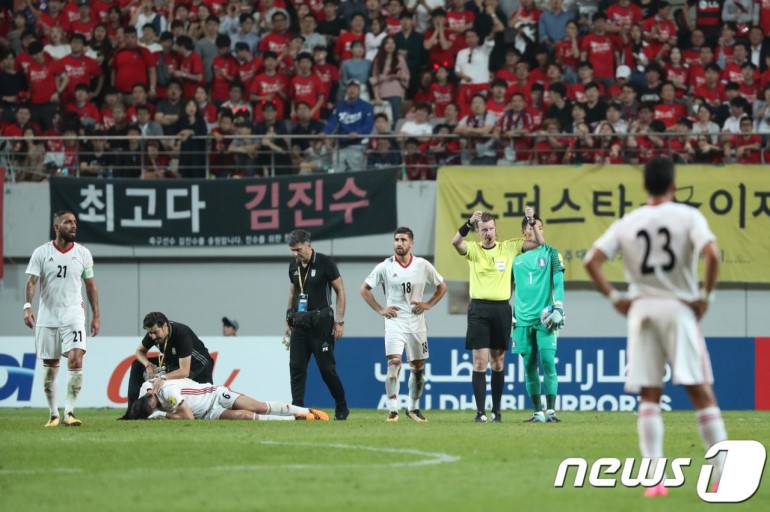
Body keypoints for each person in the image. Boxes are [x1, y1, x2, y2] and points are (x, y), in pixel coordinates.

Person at [583, 156, 727, 498]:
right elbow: (713, 253)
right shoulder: (688, 216)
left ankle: (654, 479)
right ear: (673, 186)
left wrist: (616, 297)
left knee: (650, 394)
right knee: (699, 389)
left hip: (642, 310)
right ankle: (722, 472)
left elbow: (592, 260)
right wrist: (705, 295)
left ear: (645, 186)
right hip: (678, 307)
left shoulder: (629, 221)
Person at [451, 208, 541, 422]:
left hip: (501, 309)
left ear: (496, 230)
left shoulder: (508, 248)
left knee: (498, 361)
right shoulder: (473, 250)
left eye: (491, 229)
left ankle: (497, 411)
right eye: (483, 229)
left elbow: (538, 243)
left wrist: (531, 220)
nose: (488, 233)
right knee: (479, 361)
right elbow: (456, 242)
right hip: (478, 310)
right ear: (478, 231)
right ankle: (480, 412)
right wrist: (467, 223)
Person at [360, 227, 448, 422]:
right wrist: (380, 309)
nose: (399, 243)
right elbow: (364, 289)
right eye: (396, 240)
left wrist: (428, 304)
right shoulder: (385, 266)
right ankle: (393, 409)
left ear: (411, 243)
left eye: (403, 240)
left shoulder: (422, 265)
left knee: (418, 370)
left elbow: (442, 286)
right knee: (394, 366)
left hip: (417, 323)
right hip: (395, 322)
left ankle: (413, 408)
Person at [23, 210, 100, 427]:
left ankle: (70, 413)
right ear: (57, 227)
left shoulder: (83, 254)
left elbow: (91, 285)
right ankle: (53, 414)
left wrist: (96, 316)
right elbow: (31, 282)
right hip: (48, 317)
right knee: (51, 367)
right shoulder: (41, 252)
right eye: (68, 222)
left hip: (74, 315)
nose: (73, 226)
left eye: (75, 222)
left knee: (76, 358)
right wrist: (28, 306)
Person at [284, 230, 349, 420]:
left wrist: (340, 321)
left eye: (298, 249)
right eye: (292, 250)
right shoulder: (293, 266)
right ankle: (297, 409)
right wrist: (288, 320)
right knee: (296, 367)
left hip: (321, 324)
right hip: (300, 324)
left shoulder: (325, 263)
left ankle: (341, 405)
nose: (296, 254)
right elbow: (293, 292)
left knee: (326, 369)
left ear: (308, 245)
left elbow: (340, 291)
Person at [511, 214, 565, 423]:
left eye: (540, 227)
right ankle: (537, 412)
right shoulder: (515, 259)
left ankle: (551, 411)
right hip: (522, 321)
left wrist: (558, 306)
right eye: (532, 227)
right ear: (524, 232)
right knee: (529, 366)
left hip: (545, 319)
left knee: (548, 362)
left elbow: (558, 282)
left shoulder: (551, 253)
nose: (536, 231)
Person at [125, 312, 215, 412]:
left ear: (165, 326)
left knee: (205, 408)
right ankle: (132, 411)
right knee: (137, 365)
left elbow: (184, 371)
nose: (153, 337)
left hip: (198, 367)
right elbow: (139, 351)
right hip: (174, 362)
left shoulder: (181, 334)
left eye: (155, 332)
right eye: (150, 333)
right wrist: (147, 364)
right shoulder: (153, 333)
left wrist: (163, 377)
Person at [123, 378, 329, 421]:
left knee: (258, 406)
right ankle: (298, 420)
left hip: (215, 394)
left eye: (152, 402)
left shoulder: (167, 391)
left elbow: (187, 417)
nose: (154, 406)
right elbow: (148, 383)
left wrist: (166, 419)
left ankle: (303, 409)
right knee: (246, 416)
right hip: (207, 413)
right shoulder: (147, 391)